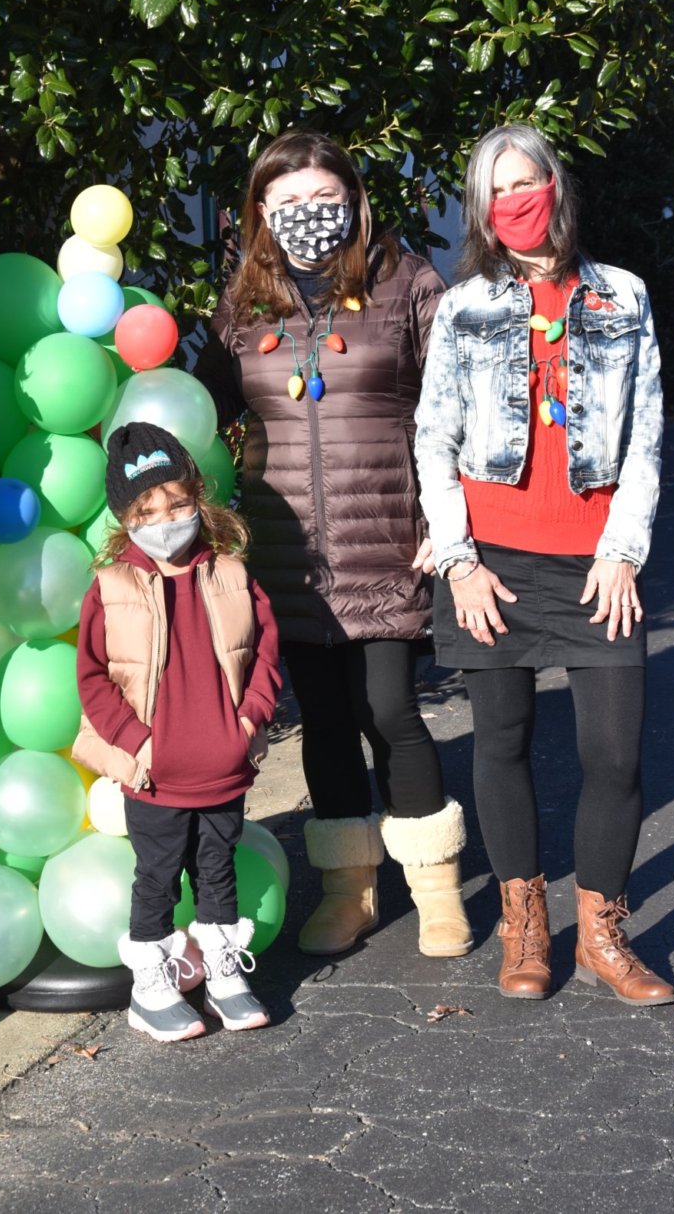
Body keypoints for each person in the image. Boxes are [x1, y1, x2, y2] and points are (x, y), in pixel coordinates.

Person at [413, 122, 674, 1005]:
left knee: (614, 756)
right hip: (490, 563)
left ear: (556, 186)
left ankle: (602, 933)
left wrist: (622, 550)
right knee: (502, 741)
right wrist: (456, 561)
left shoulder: (623, 296)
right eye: (497, 189)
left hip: (595, 563)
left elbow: (643, 438)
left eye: (528, 182)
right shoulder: (463, 306)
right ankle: (527, 924)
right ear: (482, 211)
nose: (516, 200)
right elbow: (433, 438)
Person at [194, 131, 472, 960]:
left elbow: (458, 406)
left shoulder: (407, 282)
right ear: (260, 214)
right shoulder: (244, 302)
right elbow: (200, 409)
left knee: (387, 710)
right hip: (287, 555)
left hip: (387, 537)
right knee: (321, 718)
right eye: (285, 205)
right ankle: (350, 890)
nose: (306, 218)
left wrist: (449, 524)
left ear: (352, 201)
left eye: (323, 200)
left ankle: (435, 889)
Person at [73, 421, 281, 1042]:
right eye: (148, 509)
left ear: (199, 499)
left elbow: (267, 651)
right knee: (156, 876)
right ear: (126, 517)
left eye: (179, 503)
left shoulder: (233, 574)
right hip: (154, 773)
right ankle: (151, 985)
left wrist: (249, 720)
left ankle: (221, 971)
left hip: (224, 765)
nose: (166, 518)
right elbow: (92, 677)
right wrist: (138, 744)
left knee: (218, 869)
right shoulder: (111, 587)